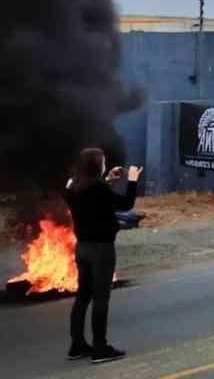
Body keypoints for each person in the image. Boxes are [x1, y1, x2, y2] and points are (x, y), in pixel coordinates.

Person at [63, 148, 143, 364]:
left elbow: (91, 195)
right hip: (102, 249)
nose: (106, 165)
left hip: (82, 248)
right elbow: (125, 203)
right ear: (97, 166)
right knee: (101, 298)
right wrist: (133, 180)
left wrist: (107, 180)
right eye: (104, 163)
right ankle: (100, 348)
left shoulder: (73, 186)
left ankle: (77, 345)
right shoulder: (98, 189)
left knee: (82, 297)